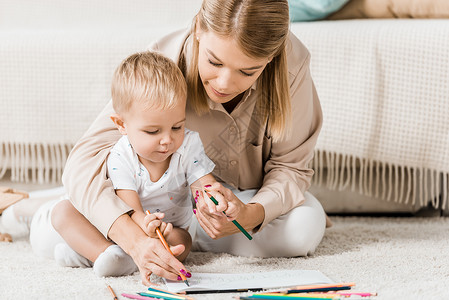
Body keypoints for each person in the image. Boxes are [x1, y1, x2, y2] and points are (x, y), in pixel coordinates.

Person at [9, 0, 328, 286]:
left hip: (232, 204)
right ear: (198, 29)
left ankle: (174, 243)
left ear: (271, 57)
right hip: (152, 208)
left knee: (304, 228)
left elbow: (291, 168)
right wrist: (134, 239)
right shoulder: (162, 64)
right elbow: (86, 159)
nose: (224, 83)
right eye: (214, 62)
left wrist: (251, 215)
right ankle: (27, 208)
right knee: (49, 232)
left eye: (248, 71)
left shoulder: (292, 65)